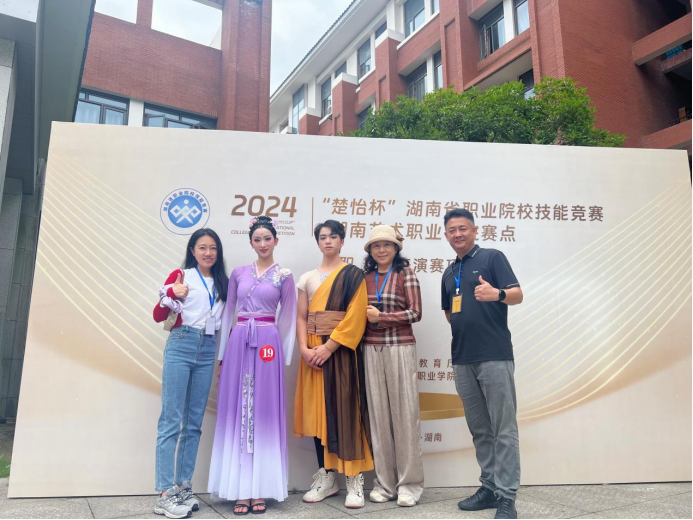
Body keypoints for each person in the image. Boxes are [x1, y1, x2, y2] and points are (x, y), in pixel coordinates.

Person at [207, 216, 297, 516]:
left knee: (264, 408)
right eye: (257, 239)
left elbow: (288, 317)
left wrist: (283, 357)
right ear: (251, 243)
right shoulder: (238, 273)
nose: (262, 244)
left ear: (276, 241)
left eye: (267, 238)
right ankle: (240, 489)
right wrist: (222, 355)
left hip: (268, 341)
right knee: (238, 408)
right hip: (239, 339)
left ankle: (260, 488)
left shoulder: (284, 275)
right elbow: (228, 312)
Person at [440, 209, 523, 520]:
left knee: (503, 428)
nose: (458, 234)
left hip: (494, 355)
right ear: (446, 236)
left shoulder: (492, 257)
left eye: (463, 228)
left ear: (475, 231)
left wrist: (496, 293)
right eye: (452, 230)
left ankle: (507, 496)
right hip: (463, 358)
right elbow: (449, 313)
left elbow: (517, 295)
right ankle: (489, 487)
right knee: (480, 429)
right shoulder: (449, 272)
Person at [293, 220, 372, 509]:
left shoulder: (353, 275)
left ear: (342, 241)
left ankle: (353, 478)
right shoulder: (307, 278)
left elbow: (355, 316)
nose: (328, 241)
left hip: (339, 351)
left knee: (346, 410)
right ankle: (327, 477)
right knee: (318, 414)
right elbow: (301, 316)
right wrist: (304, 349)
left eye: (333, 236)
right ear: (318, 242)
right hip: (312, 353)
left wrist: (329, 347)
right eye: (323, 237)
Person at [152, 228, 229, 519]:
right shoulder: (181, 275)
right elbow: (158, 316)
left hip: (207, 348)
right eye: (202, 247)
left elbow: (222, 324)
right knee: (171, 421)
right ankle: (164, 494)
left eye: (213, 248)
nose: (208, 253)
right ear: (193, 250)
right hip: (181, 343)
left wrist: (221, 358)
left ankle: (183, 486)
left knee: (194, 423)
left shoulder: (223, 282)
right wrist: (172, 293)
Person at [361, 225, 424, 507]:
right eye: (376, 246)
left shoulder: (405, 274)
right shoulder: (364, 278)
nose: (382, 250)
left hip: (400, 347)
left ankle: (409, 485)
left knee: (405, 417)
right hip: (370, 349)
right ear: (370, 251)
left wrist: (382, 317)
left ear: (396, 248)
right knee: (378, 419)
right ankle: (385, 484)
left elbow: (416, 313)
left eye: (387, 245)